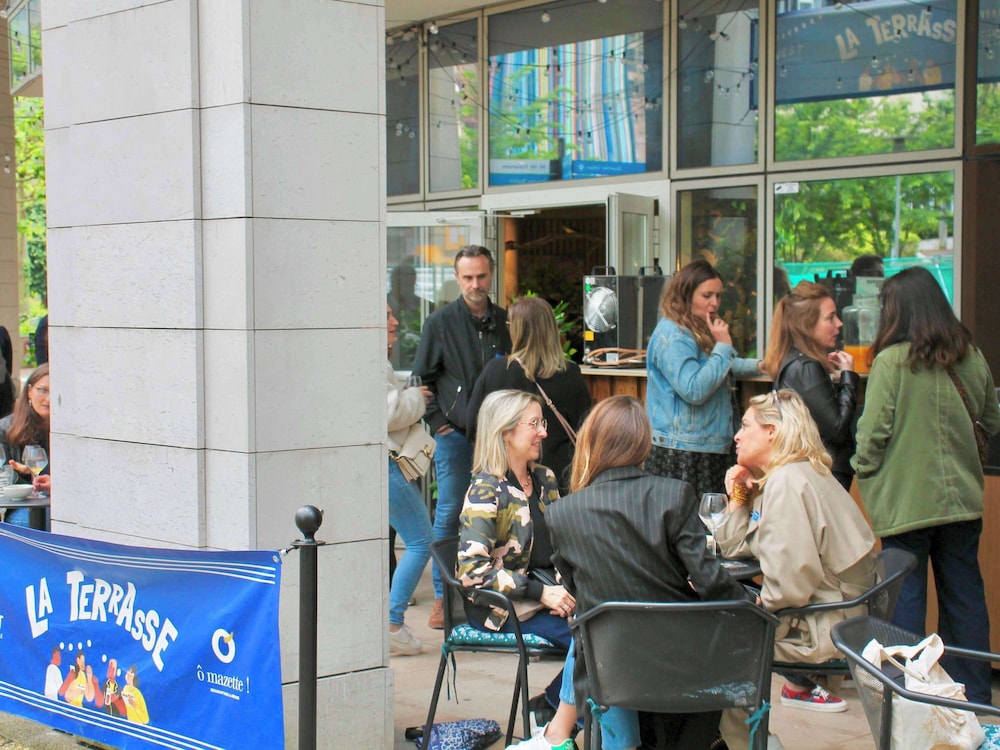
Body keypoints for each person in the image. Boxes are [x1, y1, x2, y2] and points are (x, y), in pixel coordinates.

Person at [538, 396, 755, 750]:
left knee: (592, 641)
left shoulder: (562, 513)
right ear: (643, 443)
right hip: (683, 661)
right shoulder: (673, 494)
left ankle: (574, 735)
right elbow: (710, 581)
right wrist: (749, 602)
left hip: (610, 664)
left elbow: (579, 592)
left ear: (591, 443)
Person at [852, 267, 1000, 705]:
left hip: (905, 503)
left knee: (905, 604)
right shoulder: (971, 357)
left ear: (897, 312)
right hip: (962, 502)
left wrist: (862, 468)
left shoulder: (891, 362)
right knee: (964, 597)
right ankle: (973, 694)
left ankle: (908, 695)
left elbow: (872, 433)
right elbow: (992, 419)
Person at [718, 390, 876, 743]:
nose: (737, 436)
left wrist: (754, 605)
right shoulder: (796, 473)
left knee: (716, 641)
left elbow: (788, 589)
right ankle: (744, 740)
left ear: (772, 431)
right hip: (842, 615)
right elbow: (738, 547)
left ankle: (741, 742)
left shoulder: (786, 484)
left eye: (745, 426)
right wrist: (739, 496)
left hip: (823, 627)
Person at [456, 389, 575, 740]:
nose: (544, 432)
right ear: (506, 432)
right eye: (534, 424)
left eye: (542, 423)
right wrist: (541, 593)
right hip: (501, 607)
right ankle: (555, 715)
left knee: (612, 627)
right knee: (595, 642)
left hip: (548, 594)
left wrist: (567, 588)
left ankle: (552, 709)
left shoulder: (544, 479)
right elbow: (472, 572)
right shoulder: (486, 489)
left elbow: (562, 546)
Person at [411, 245, 511, 629]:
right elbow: (422, 379)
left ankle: (495, 597)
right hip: (455, 436)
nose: (475, 284)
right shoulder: (440, 323)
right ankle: (444, 598)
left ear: (491, 275)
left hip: (499, 435)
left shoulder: (504, 321)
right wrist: (439, 423)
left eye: (481, 276)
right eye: (467, 277)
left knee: (501, 513)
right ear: (457, 278)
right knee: (451, 513)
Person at [646, 259, 762, 496]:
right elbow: (693, 389)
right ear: (685, 296)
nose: (715, 303)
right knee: (696, 516)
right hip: (683, 451)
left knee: (715, 513)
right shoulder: (674, 334)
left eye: (718, 296)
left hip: (702, 445)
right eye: (707, 295)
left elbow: (714, 367)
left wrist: (761, 365)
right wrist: (723, 346)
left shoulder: (692, 326)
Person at [466, 297, 591, 494]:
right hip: (559, 478)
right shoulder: (570, 374)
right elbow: (585, 429)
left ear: (517, 330)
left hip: (506, 475)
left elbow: (472, 425)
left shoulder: (496, 371)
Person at [762, 281, 858, 490]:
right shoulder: (805, 368)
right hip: (823, 472)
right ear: (807, 324)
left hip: (815, 471)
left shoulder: (796, 362)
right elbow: (837, 429)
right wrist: (849, 377)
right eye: (830, 318)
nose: (839, 323)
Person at [385, 304, 434, 656]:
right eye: (387, 315)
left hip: (380, 464)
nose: (395, 321)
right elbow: (390, 413)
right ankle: (392, 623)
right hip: (386, 464)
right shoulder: (373, 361)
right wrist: (417, 397)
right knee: (421, 540)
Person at [0, 363, 50, 526]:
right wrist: (23, 474)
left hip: (59, 501)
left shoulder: (67, 433)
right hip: (22, 504)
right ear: (29, 391)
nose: (48, 399)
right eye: (43, 390)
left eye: (55, 391)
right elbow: (3, 475)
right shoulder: (6, 428)